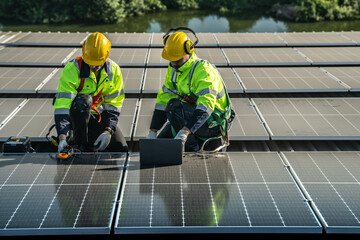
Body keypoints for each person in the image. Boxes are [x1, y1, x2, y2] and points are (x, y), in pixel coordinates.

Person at [146, 27, 235, 152]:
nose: (174, 64)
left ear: (189, 51)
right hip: (191, 115)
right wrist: (153, 130)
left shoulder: (204, 71)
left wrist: (185, 132)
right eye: (171, 61)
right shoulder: (173, 69)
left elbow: (205, 106)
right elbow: (163, 100)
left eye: (177, 60)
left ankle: (193, 150)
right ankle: (185, 138)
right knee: (161, 144)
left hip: (214, 123)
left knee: (174, 108)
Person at [53, 32, 128, 153]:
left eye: (97, 63)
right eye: (90, 62)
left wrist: (108, 131)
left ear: (106, 55)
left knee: (120, 147)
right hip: (76, 117)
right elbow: (63, 105)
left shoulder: (114, 71)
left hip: (96, 115)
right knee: (83, 101)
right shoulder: (72, 69)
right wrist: (62, 137)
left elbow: (114, 105)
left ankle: (92, 138)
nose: (93, 66)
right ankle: (78, 143)